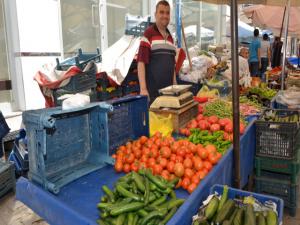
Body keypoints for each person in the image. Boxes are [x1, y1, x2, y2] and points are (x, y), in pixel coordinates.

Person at [137, 0, 176, 103]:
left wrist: (175, 84)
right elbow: (141, 62)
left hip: (168, 93)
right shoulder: (148, 34)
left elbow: (172, 65)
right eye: (161, 12)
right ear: (155, 14)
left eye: (167, 13)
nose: (165, 16)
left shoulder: (171, 38)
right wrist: (143, 89)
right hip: (153, 94)